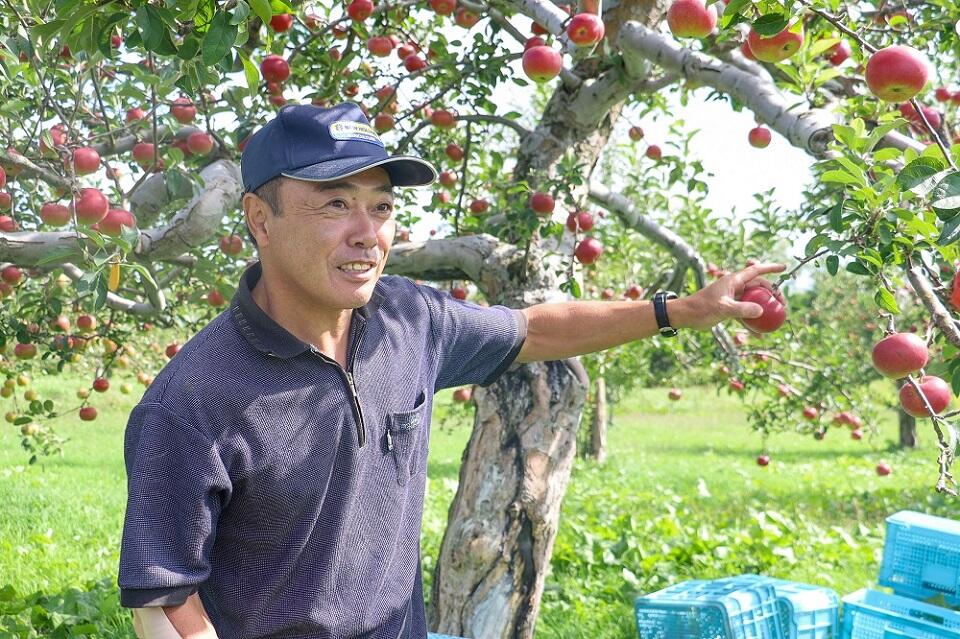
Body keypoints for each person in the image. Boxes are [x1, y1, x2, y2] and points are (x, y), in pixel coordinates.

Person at [117, 102, 784, 639]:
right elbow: (166, 597)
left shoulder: (410, 318)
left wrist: (679, 309)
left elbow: (538, 327)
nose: (367, 231)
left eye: (380, 206)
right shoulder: (196, 400)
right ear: (260, 218)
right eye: (334, 204)